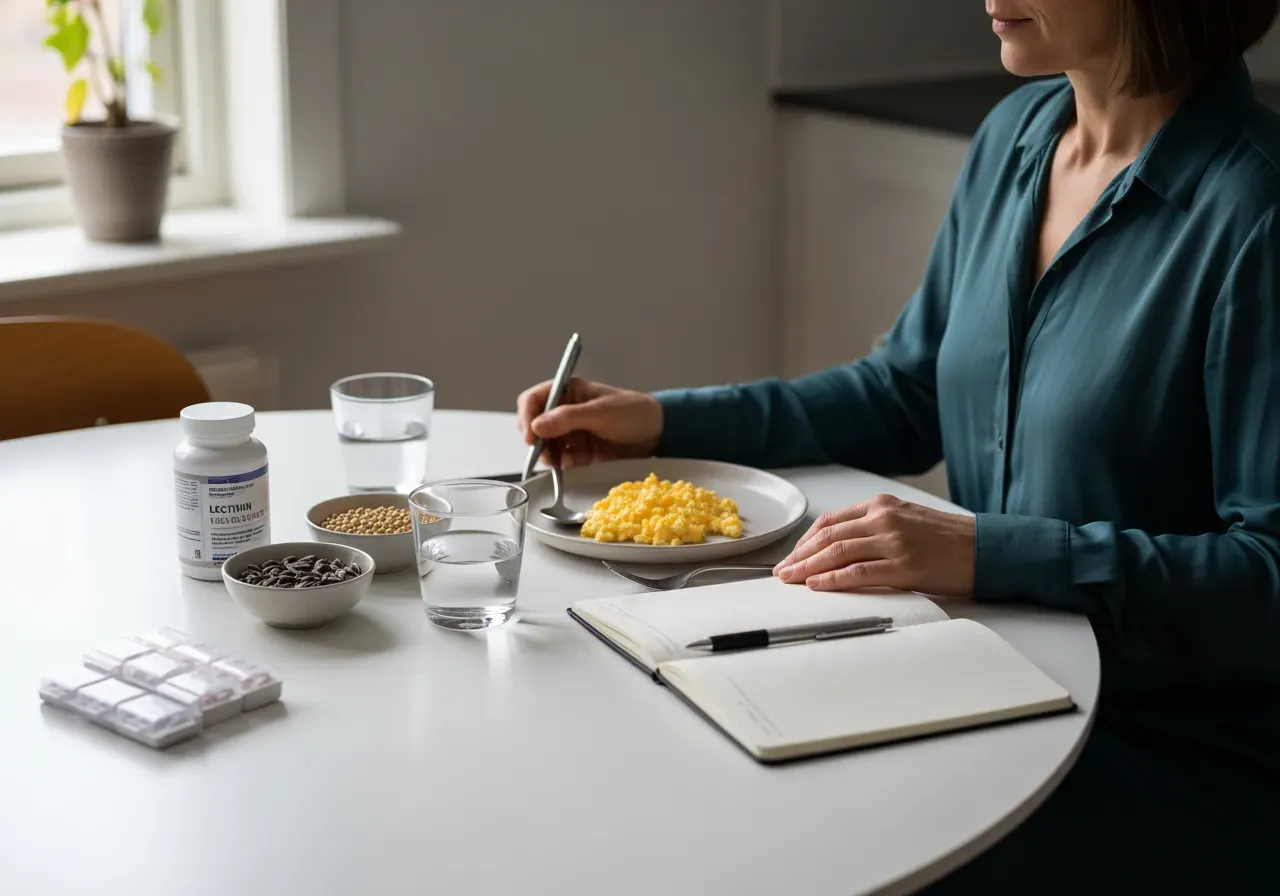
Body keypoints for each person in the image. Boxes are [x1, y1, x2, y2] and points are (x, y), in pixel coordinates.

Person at [519, 0, 1280, 891]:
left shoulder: (1256, 210)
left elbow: (1267, 572)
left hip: (1167, 753)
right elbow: (906, 391)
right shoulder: (1019, 137)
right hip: (978, 681)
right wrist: (663, 424)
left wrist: (991, 552)